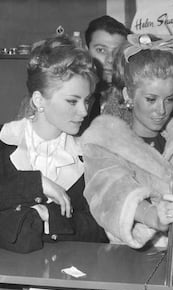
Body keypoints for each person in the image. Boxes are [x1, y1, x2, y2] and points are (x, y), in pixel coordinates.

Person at [81, 34, 173, 249]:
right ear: (128, 95)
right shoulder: (105, 141)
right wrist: (154, 216)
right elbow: (112, 192)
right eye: (151, 99)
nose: (161, 110)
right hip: (131, 258)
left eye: (169, 99)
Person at [0, 35, 108, 253]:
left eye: (87, 100)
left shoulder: (88, 156)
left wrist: (49, 217)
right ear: (39, 100)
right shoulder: (5, 141)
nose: (84, 111)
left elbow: (100, 231)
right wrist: (36, 184)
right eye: (72, 101)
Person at [79, 15, 130, 133]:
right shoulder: (69, 93)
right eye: (101, 50)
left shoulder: (129, 98)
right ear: (86, 51)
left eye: (117, 52)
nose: (110, 59)